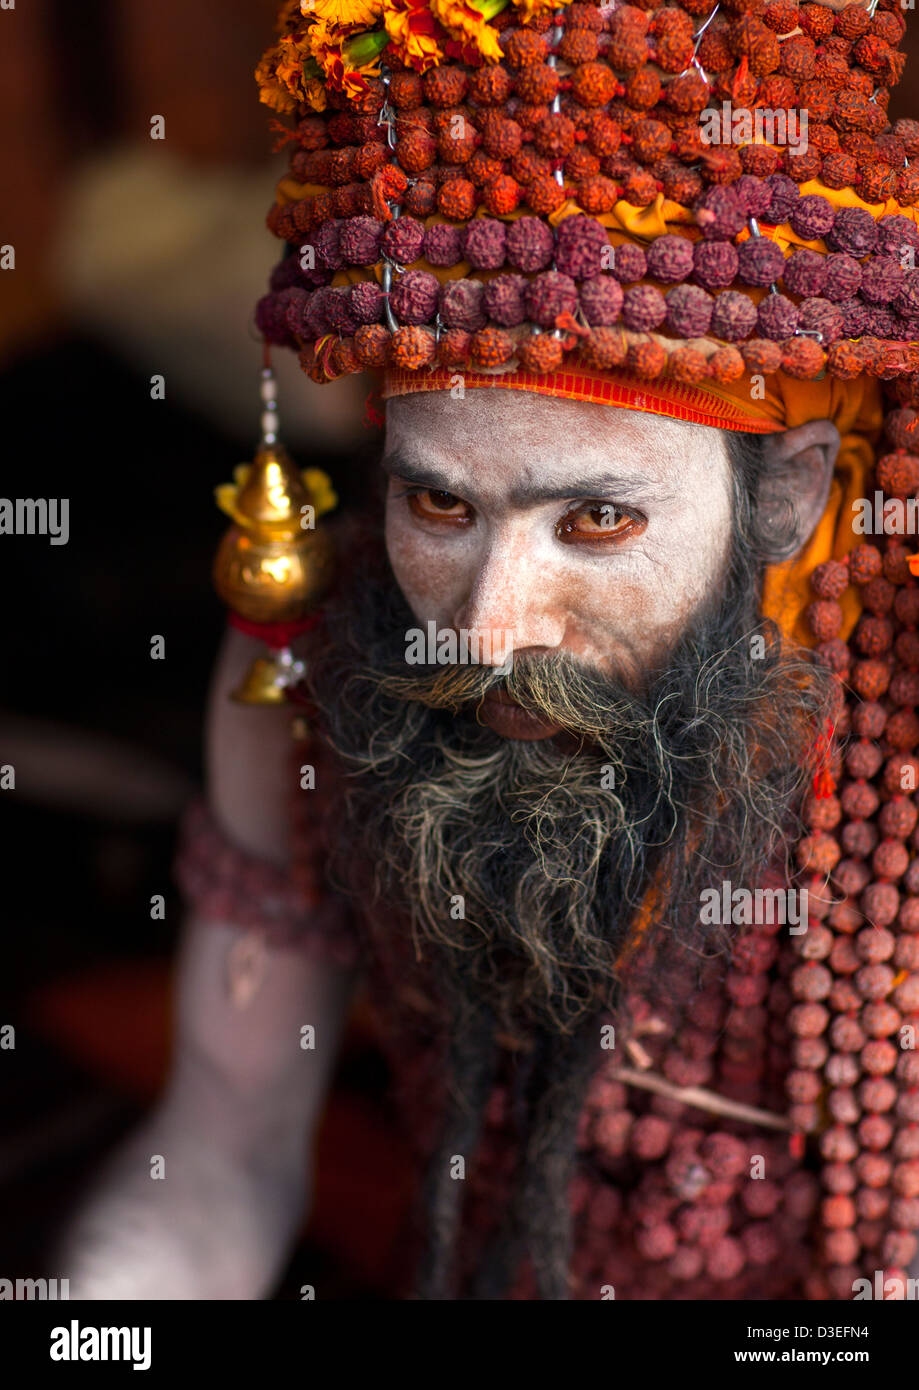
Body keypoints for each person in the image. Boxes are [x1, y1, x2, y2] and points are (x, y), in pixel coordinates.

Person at [56, 0, 919, 1300]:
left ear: (786, 498)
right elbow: (222, 1154)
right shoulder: (311, 689)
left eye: (600, 520)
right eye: (443, 505)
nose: (488, 628)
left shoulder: (896, 720)